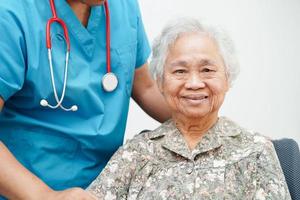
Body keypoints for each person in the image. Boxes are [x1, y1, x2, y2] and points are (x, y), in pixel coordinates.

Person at [87, 18, 292, 199]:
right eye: (180, 71)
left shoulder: (256, 151)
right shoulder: (135, 153)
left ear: (228, 78)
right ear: (160, 81)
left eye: (207, 70)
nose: (194, 83)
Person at [0, 0, 170, 199]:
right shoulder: (11, 13)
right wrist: (46, 196)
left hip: (105, 188)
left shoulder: (123, 6)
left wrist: (203, 120)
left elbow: (146, 87)